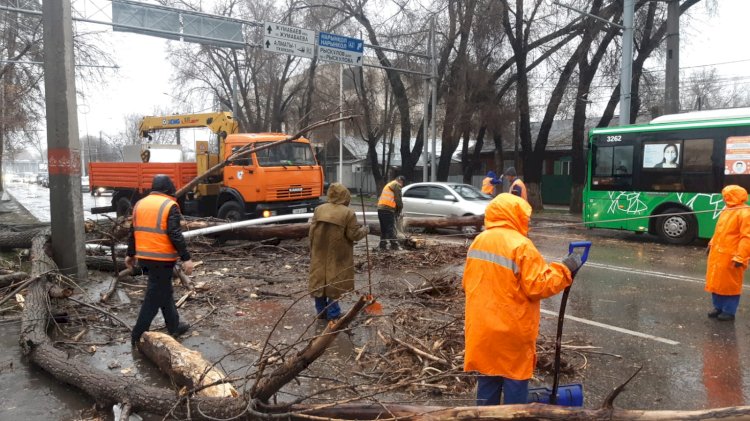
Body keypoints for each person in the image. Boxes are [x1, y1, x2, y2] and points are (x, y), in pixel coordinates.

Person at [462, 193, 582, 405]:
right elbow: (539, 286)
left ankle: (483, 416)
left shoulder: (478, 241)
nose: (527, 221)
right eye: (525, 217)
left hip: (482, 329)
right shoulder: (521, 245)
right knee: (515, 380)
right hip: (511, 331)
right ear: (515, 215)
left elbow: (467, 283)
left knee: (488, 378)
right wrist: (565, 269)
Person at [127, 175, 195, 347]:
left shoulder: (140, 204)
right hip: (162, 258)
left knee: (164, 291)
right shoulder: (169, 205)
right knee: (154, 296)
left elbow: (133, 230)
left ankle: (174, 325)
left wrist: (130, 253)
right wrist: (186, 258)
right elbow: (175, 234)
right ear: (168, 189)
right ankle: (138, 333)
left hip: (145, 257)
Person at [309, 183, 369, 320]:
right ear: (345, 196)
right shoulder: (348, 213)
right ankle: (333, 313)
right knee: (335, 281)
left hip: (319, 250)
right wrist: (365, 230)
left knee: (319, 280)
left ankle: (321, 312)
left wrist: (312, 249)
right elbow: (354, 235)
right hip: (338, 253)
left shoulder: (319, 209)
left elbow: (311, 232)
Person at [705, 185, 750, 321]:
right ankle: (718, 307)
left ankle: (729, 311)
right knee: (716, 281)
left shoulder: (744, 213)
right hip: (718, 253)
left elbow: (747, 237)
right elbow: (719, 231)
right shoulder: (727, 210)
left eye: (726, 196)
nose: (724, 199)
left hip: (732, 255)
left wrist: (741, 257)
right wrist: (711, 244)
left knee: (730, 284)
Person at [377, 175, 405, 251]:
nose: (401, 186)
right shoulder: (396, 184)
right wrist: (399, 210)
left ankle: (382, 245)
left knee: (384, 228)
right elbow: (398, 200)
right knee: (390, 228)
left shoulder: (390, 184)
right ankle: (395, 245)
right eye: (402, 184)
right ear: (401, 181)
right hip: (387, 209)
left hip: (380, 208)